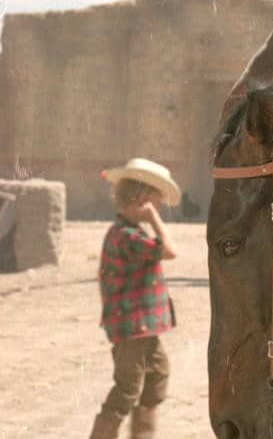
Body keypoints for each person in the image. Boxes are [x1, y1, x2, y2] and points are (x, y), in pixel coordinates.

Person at [91, 158, 181, 439]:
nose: (160, 205)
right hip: (132, 329)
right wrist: (154, 219)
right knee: (127, 389)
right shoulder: (126, 236)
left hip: (142, 328)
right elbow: (170, 250)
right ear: (142, 199)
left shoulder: (129, 233)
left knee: (157, 377)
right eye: (157, 200)